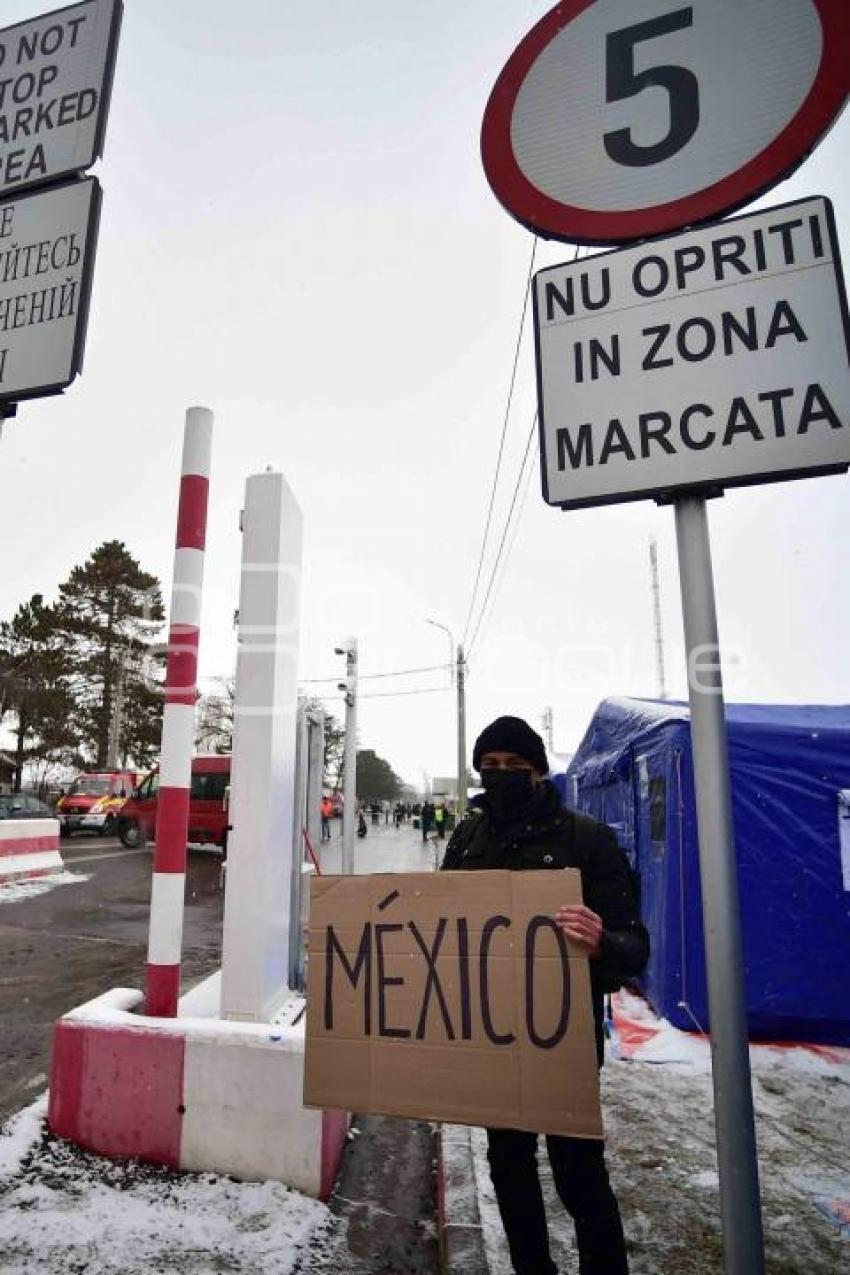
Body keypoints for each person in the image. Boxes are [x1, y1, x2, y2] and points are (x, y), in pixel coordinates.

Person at [441, 715, 649, 1275]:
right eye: (490, 767)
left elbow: (635, 946)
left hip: (563, 1041)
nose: (501, 775)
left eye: (515, 766)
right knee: (508, 1167)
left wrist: (601, 939)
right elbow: (438, 926)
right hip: (489, 1035)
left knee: (579, 1174)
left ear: (538, 771)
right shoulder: (467, 836)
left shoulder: (586, 837)